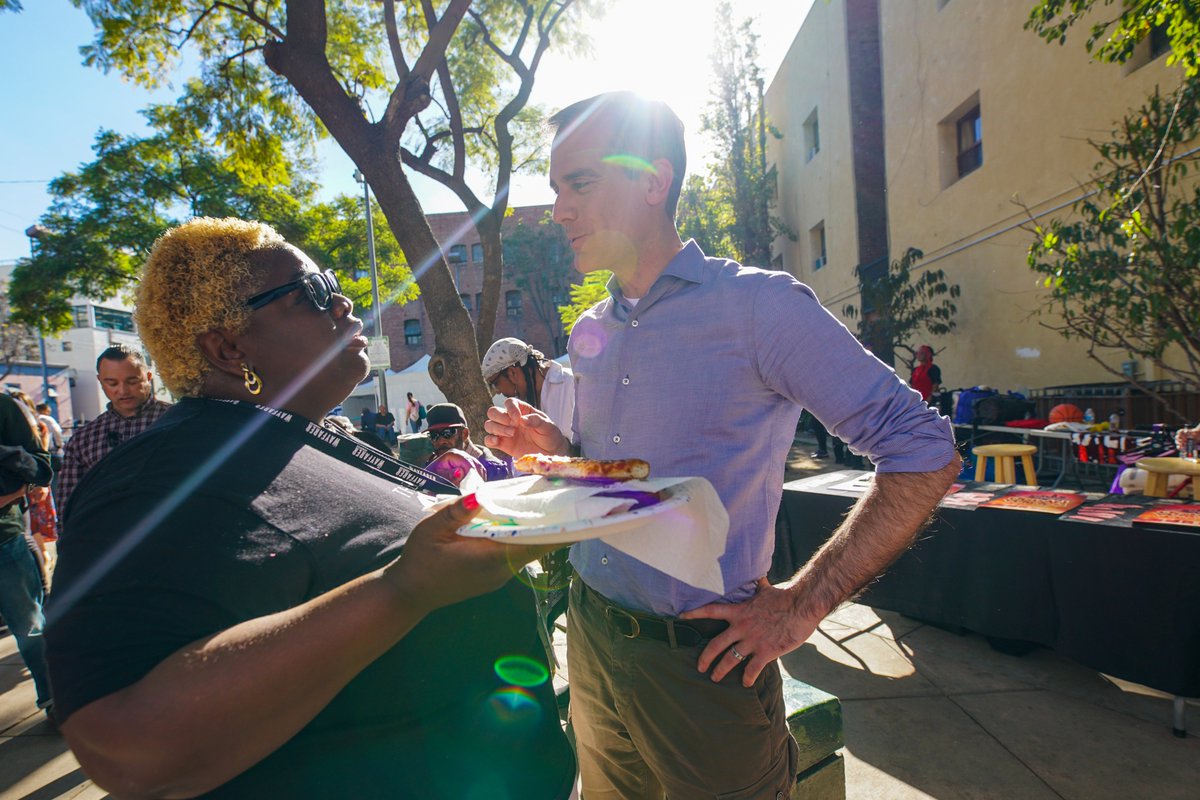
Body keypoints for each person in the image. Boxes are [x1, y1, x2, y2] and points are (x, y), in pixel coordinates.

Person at [484, 92, 959, 798]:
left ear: (653, 180)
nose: (558, 209)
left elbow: (923, 449)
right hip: (589, 639)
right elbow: (625, 485)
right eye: (556, 188)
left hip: (703, 668)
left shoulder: (758, 307)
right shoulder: (592, 328)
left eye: (578, 183)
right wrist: (556, 448)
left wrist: (802, 605)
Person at [44, 218, 575, 799]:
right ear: (228, 347)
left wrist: (551, 474)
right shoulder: (161, 478)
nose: (343, 299)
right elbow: (124, 746)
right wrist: (402, 588)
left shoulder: (290, 435)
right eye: (313, 291)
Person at [56, 344, 171, 533]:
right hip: (108, 540)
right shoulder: (84, 439)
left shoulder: (178, 420)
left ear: (148, 377)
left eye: (132, 381)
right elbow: (68, 508)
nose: (123, 390)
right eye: (112, 383)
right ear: (100, 382)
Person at [0, 392, 54, 723]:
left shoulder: (4, 408)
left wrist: (14, 491)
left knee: (30, 627)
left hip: (4, 540)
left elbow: (41, 469)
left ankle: (55, 701)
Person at [482, 338, 576, 440]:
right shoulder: (523, 406)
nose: (498, 391)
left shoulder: (571, 386)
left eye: (495, 383)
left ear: (513, 373)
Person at [425, 403, 512, 484]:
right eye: (434, 435)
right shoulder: (431, 465)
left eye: (447, 433)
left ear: (465, 434)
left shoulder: (493, 471)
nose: (441, 440)